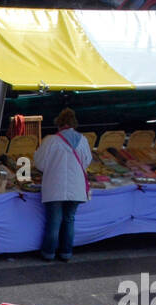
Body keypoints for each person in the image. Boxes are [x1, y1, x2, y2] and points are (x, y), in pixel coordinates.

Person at [32, 109, 93, 262]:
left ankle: (49, 253)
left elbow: (39, 163)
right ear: (74, 124)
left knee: (54, 220)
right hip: (76, 188)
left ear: (59, 123)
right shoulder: (83, 140)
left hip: (55, 186)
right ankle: (66, 253)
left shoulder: (50, 140)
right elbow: (87, 162)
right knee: (69, 219)